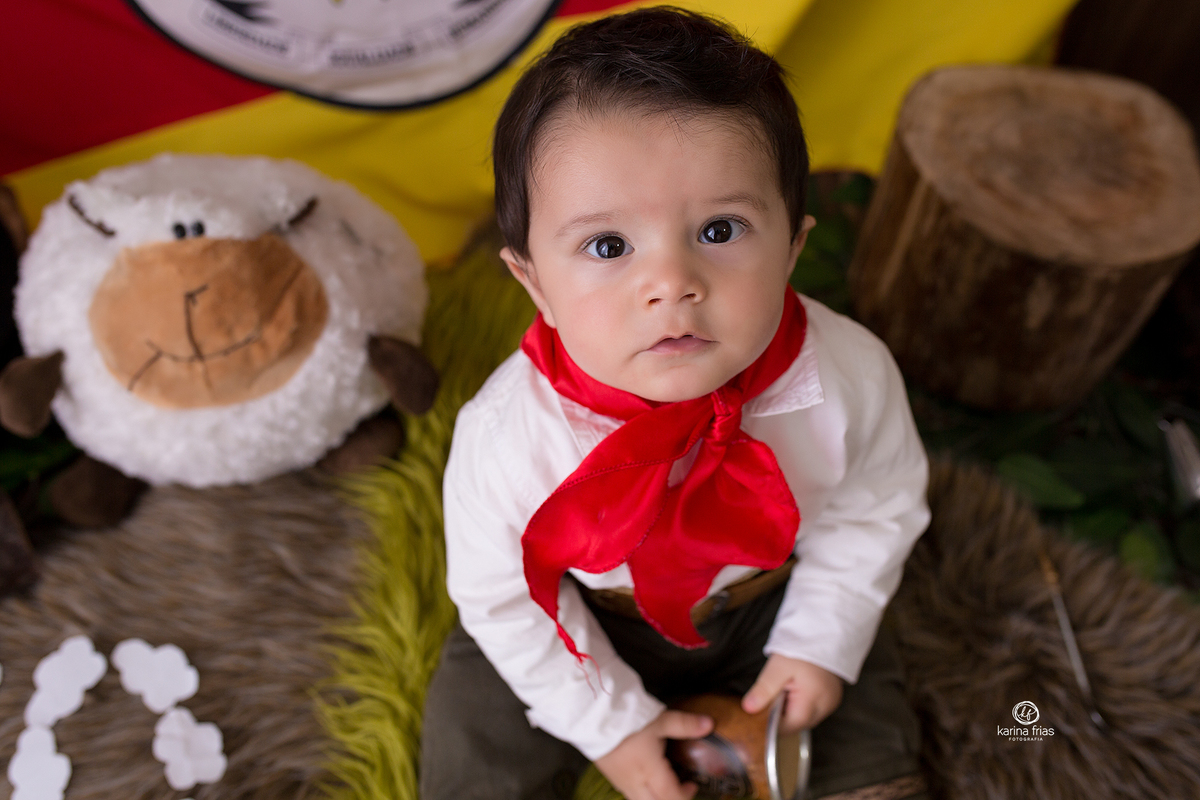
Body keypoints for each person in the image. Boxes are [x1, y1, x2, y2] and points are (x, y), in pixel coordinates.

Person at [421, 8, 931, 800]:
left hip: (770, 598)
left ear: (794, 247)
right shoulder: (509, 437)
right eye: (608, 246)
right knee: (474, 731)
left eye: (721, 229)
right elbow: (505, 596)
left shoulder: (847, 375)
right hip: (585, 618)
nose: (672, 282)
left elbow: (877, 506)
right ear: (533, 284)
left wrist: (818, 642)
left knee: (861, 726)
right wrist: (611, 727)